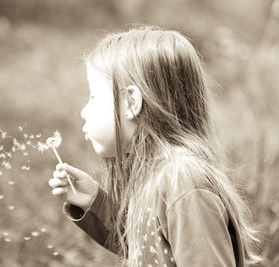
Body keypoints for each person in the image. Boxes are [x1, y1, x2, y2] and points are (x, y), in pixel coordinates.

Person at [48, 26, 260, 267]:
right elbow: (148, 247)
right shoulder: (158, 177)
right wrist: (95, 202)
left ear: (131, 102)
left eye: (94, 96)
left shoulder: (183, 182)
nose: (83, 111)